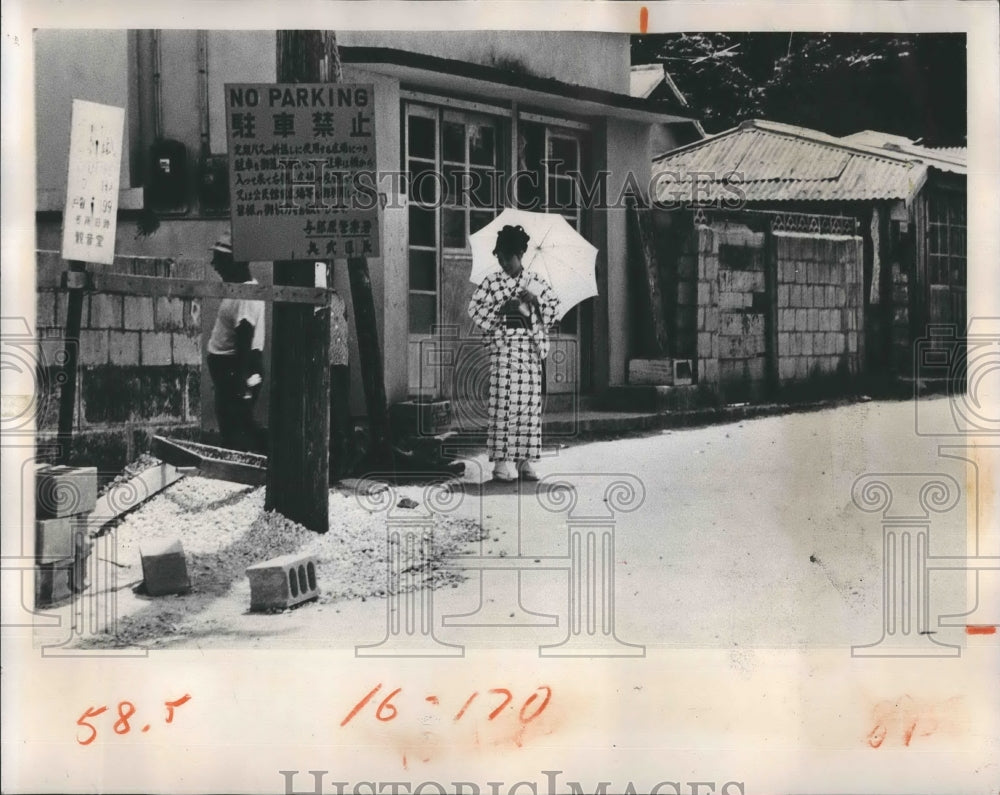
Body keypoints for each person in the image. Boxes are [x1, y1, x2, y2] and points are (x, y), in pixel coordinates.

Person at [468, 224, 561, 481]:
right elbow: (475, 310)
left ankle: (524, 462)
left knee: (528, 408)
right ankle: (500, 463)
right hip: (504, 350)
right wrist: (501, 308)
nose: (504, 263)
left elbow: (554, 310)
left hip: (529, 352)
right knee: (502, 406)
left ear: (521, 254)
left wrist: (536, 301)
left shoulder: (537, 282)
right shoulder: (491, 282)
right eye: (500, 258)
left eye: (508, 257)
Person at [206, 231, 265, 452]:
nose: (215, 265)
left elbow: (244, 337)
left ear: (236, 261)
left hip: (235, 368)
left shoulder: (246, 294)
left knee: (238, 426)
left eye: (219, 260)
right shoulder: (239, 290)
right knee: (235, 424)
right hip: (228, 370)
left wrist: (241, 381)